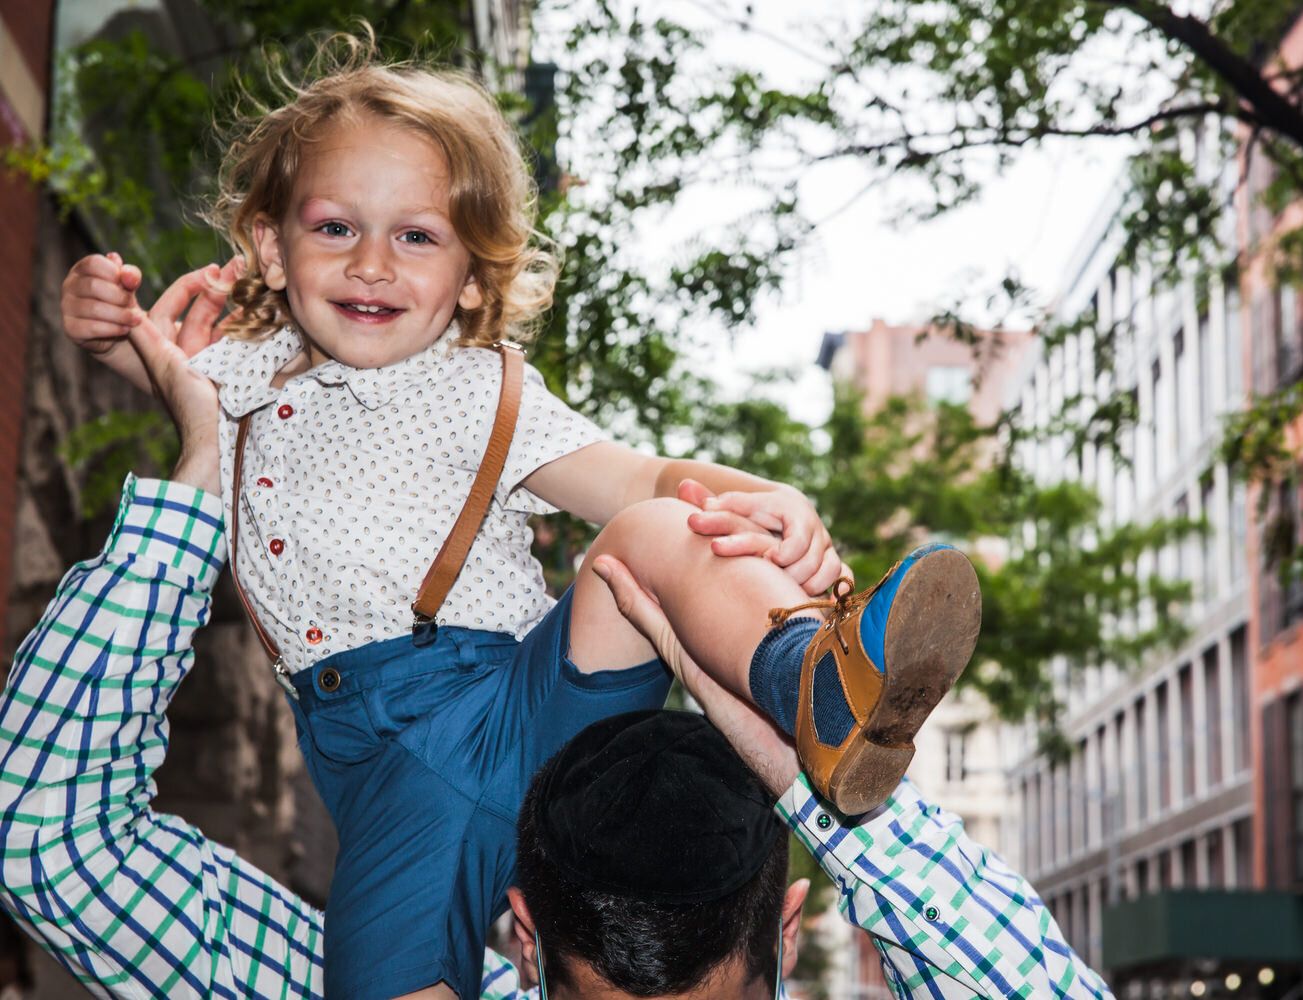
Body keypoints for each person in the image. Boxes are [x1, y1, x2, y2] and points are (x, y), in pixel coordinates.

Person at [58, 45, 983, 1000]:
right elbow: (163, 370)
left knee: (645, 540)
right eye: (335, 227)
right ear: (268, 246)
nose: (371, 262)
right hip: (386, 789)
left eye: (416, 237)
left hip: (521, 702)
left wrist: (770, 497)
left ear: (470, 273)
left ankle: (814, 681)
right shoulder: (240, 378)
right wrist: (105, 322)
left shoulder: (478, 388)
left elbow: (639, 478)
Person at [0, 306, 1112, 999]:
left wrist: (201, 468)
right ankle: (799, 679)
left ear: (523, 936)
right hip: (531, 703)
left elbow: (44, 833)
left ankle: (800, 674)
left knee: (648, 537)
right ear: (786, 929)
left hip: (492, 717)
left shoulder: (354, 961)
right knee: (648, 541)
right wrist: (823, 794)